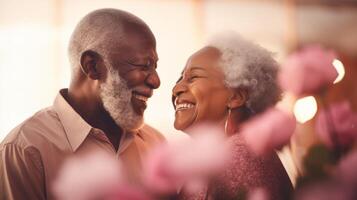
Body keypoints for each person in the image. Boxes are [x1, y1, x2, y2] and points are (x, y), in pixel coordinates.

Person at [0, 8, 164, 200]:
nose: (156, 81)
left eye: (155, 66)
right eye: (143, 65)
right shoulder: (24, 150)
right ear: (92, 66)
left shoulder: (156, 143)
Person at [172, 32, 293, 200]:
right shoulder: (241, 151)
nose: (176, 88)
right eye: (180, 78)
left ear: (236, 97)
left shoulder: (235, 160)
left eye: (193, 77)